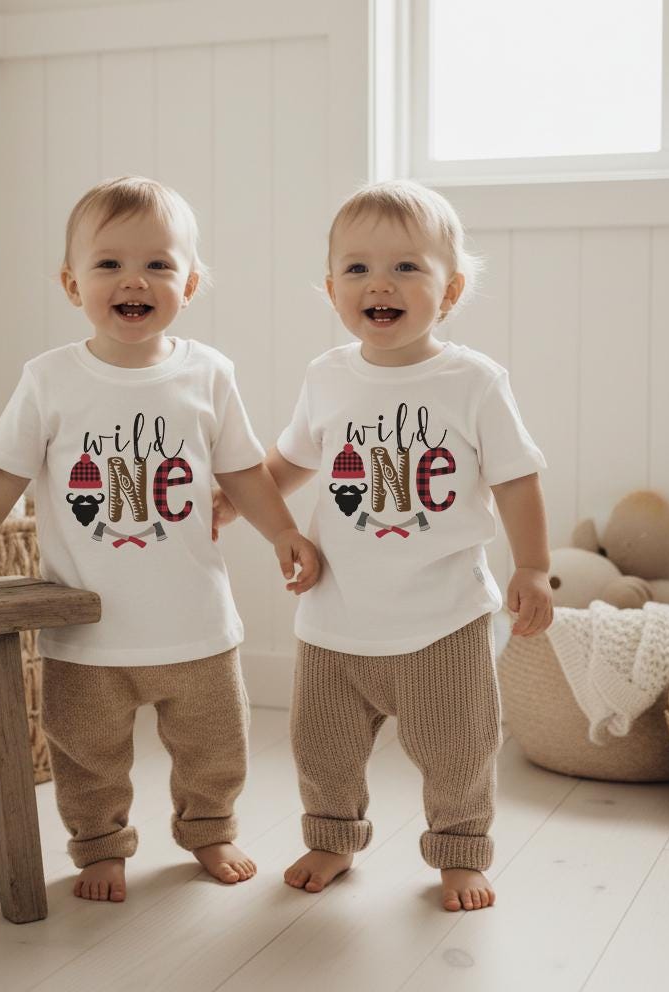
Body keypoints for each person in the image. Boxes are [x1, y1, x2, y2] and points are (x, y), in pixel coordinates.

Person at [0, 176, 320, 904]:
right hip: (86, 629)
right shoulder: (51, 380)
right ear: (71, 282)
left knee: (215, 744)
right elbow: (1, 470)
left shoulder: (208, 375)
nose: (135, 280)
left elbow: (242, 468)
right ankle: (99, 845)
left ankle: (210, 828)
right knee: (86, 752)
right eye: (109, 264)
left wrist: (281, 529)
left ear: (190, 280)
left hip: (195, 623)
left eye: (158, 264)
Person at [214, 179, 552, 911]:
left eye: (407, 268)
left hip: (443, 614)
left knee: (458, 748)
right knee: (321, 743)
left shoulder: (472, 381)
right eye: (358, 268)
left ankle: (460, 851)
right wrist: (241, 503)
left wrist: (533, 566)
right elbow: (293, 458)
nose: (380, 285)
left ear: (451, 289)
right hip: (337, 614)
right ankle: (332, 835)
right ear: (332, 286)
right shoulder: (327, 376)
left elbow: (518, 479)